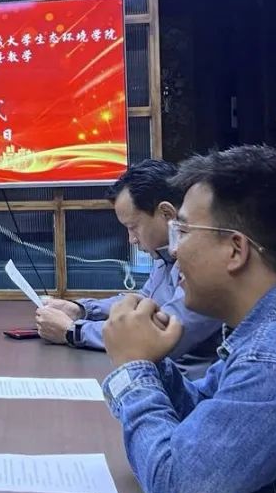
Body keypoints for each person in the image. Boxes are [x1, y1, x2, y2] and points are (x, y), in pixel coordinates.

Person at [101, 146, 276, 493]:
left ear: (235, 249)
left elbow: (179, 492)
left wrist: (134, 368)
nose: (174, 250)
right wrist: (153, 362)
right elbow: (207, 414)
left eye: (183, 231)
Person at [35, 159, 221, 377]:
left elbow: (158, 335)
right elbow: (143, 301)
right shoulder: (165, 256)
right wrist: (82, 310)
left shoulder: (206, 262)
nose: (131, 239)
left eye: (133, 227)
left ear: (167, 214)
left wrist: (73, 331)